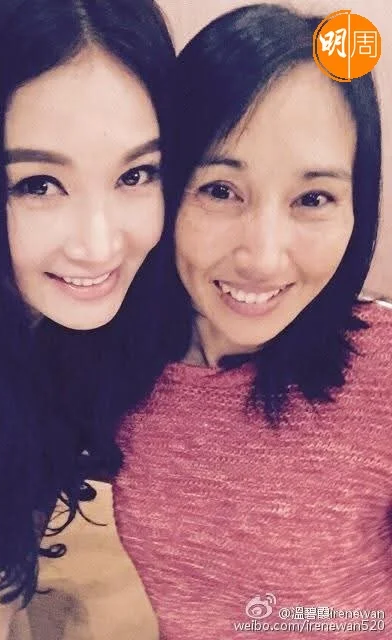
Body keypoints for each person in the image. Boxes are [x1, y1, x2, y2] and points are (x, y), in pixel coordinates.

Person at [112, 4, 392, 639]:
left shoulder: (383, 376)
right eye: (220, 190)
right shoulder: (121, 359)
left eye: (313, 198)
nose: (263, 258)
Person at [0, 0, 177, 636]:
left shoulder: (58, 322)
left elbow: (24, 487)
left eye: (136, 174)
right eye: (37, 184)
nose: (100, 247)